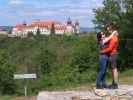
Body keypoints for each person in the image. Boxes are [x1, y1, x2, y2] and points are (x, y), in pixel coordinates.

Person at [101, 23, 119, 89]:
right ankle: (114, 83)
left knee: (114, 69)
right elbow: (107, 39)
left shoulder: (114, 38)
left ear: (111, 28)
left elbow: (110, 48)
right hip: (113, 54)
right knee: (113, 69)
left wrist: (102, 51)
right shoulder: (113, 36)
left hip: (113, 54)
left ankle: (115, 84)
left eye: (108, 28)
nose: (107, 29)